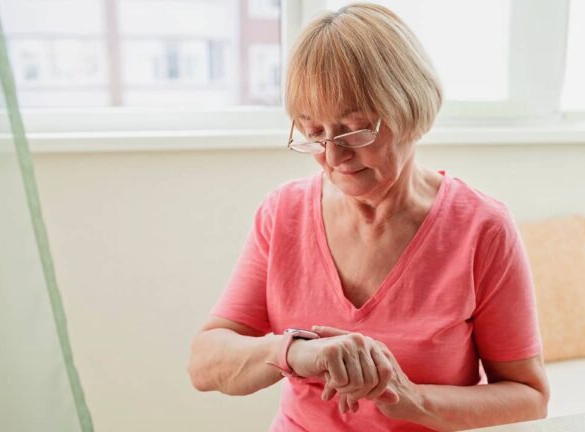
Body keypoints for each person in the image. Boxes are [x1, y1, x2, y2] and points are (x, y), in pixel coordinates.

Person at [188, 3, 549, 431]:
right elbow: (205, 361)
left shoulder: (481, 229)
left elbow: (529, 398)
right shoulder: (282, 213)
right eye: (314, 132)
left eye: (354, 130)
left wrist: (411, 398)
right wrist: (294, 352)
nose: (333, 156)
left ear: (410, 110)